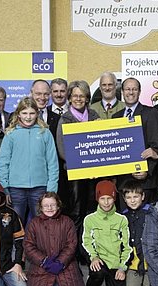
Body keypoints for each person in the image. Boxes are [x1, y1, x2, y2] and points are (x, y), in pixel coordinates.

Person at [0, 97, 59, 228]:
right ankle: (16, 248)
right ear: (18, 114)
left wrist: (51, 189)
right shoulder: (11, 134)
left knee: (40, 224)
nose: (28, 117)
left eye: (31, 113)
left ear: (37, 113)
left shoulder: (45, 133)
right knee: (14, 223)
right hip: (16, 188)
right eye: (24, 113)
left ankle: (37, 248)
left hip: (39, 187)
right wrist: (5, 187)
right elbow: (3, 162)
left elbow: (52, 163)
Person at [56, 80, 100, 241]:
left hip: (94, 173)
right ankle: (73, 249)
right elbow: (62, 149)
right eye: (75, 96)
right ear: (69, 98)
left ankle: (89, 249)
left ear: (87, 98)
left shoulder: (95, 116)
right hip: (74, 173)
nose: (78, 99)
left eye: (82, 96)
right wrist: (82, 163)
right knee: (76, 211)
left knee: (92, 210)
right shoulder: (65, 119)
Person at [23, 192, 85, 286]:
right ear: (41, 208)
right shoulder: (34, 223)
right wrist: (44, 261)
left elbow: (71, 244)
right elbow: (28, 245)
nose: (50, 208)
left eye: (53, 205)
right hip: (42, 267)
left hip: (65, 266)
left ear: (58, 205)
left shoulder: (67, 221)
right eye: (46, 205)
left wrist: (61, 262)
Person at [113, 77, 158, 205]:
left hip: (143, 182)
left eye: (134, 89)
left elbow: (155, 146)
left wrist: (147, 170)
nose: (131, 92)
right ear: (122, 92)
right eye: (128, 89)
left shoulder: (150, 113)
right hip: (123, 182)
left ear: (139, 92)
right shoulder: (115, 117)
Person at [82, 180, 132, 286]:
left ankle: (111, 279)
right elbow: (86, 241)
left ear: (114, 198)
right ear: (97, 199)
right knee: (97, 272)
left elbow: (128, 245)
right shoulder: (90, 219)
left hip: (116, 262)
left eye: (109, 198)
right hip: (99, 260)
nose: (106, 202)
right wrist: (93, 257)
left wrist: (122, 267)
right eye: (102, 198)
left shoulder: (122, 219)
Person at [120, 180, 153, 286]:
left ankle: (148, 278)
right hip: (134, 261)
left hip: (150, 261)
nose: (132, 200)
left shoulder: (151, 212)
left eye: (136, 196)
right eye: (129, 197)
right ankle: (140, 277)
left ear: (142, 196)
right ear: (124, 199)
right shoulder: (123, 216)